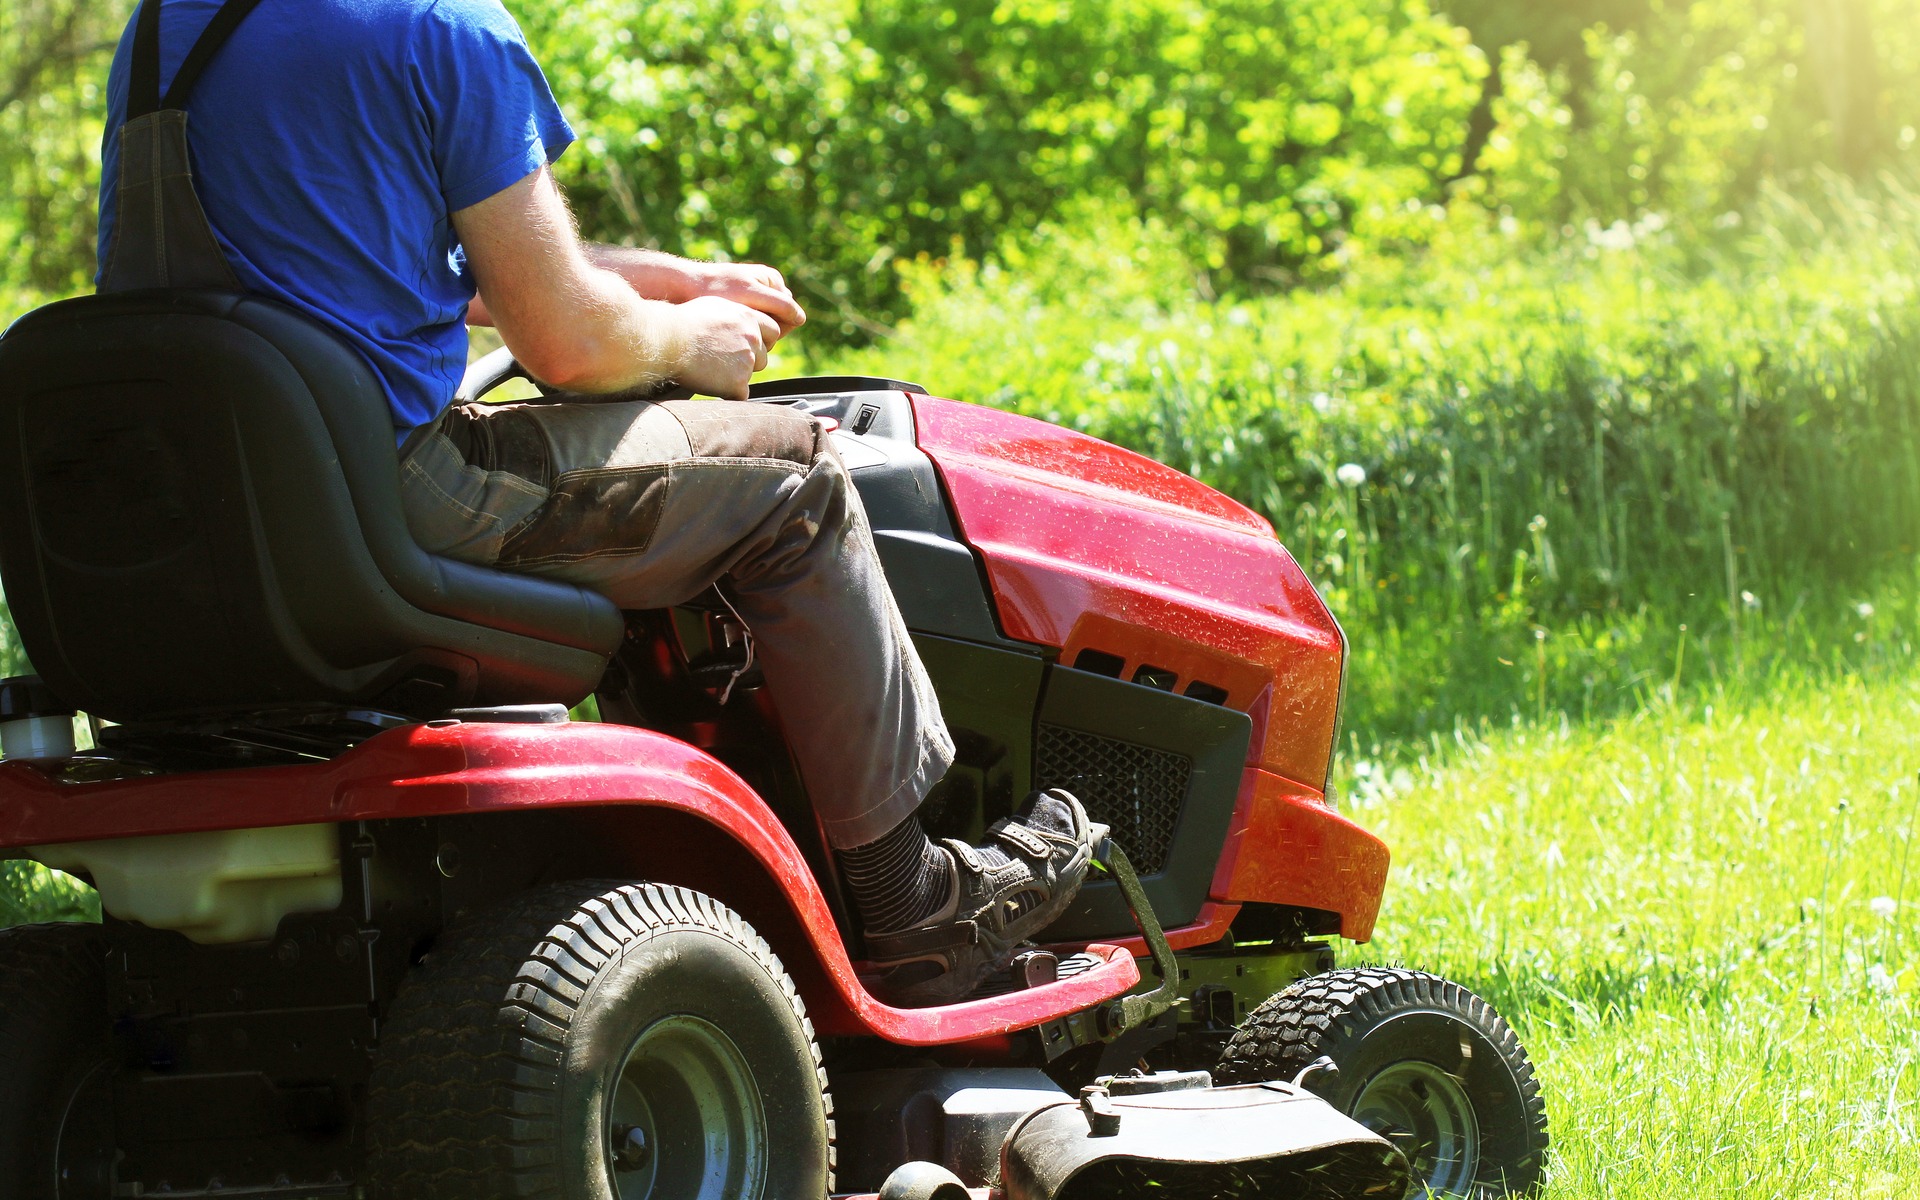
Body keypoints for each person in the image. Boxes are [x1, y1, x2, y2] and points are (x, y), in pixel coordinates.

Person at [93, 0, 1099, 1005]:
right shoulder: (441, 26)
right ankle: (911, 902)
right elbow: (569, 345)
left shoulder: (167, 33)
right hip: (392, 492)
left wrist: (684, 283)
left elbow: (421, 272)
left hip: (195, 519)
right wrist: (687, 341)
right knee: (800, 482)